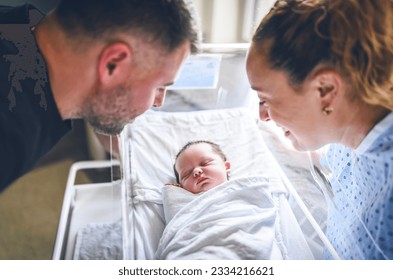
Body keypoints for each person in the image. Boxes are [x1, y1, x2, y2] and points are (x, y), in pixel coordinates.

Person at [0, 0, 201, 191]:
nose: (158, 102)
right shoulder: (12, 136)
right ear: (113, 64)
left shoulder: (23, 23)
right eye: (159, 87)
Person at [245, 0, 393, 259]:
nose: (262, 115)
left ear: (325, 90)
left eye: (265, 99)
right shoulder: (348, 130)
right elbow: (336, 164)